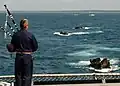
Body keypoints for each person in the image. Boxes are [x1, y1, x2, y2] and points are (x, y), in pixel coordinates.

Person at [7, 19, 38, 86]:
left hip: (18, 57)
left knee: (18, 76)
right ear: (26, 26)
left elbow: (12, 47)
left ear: (20, 26)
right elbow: (35, 47)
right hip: (27, 57)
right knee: (27, 76)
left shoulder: (15, 35)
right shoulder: (30, 35)